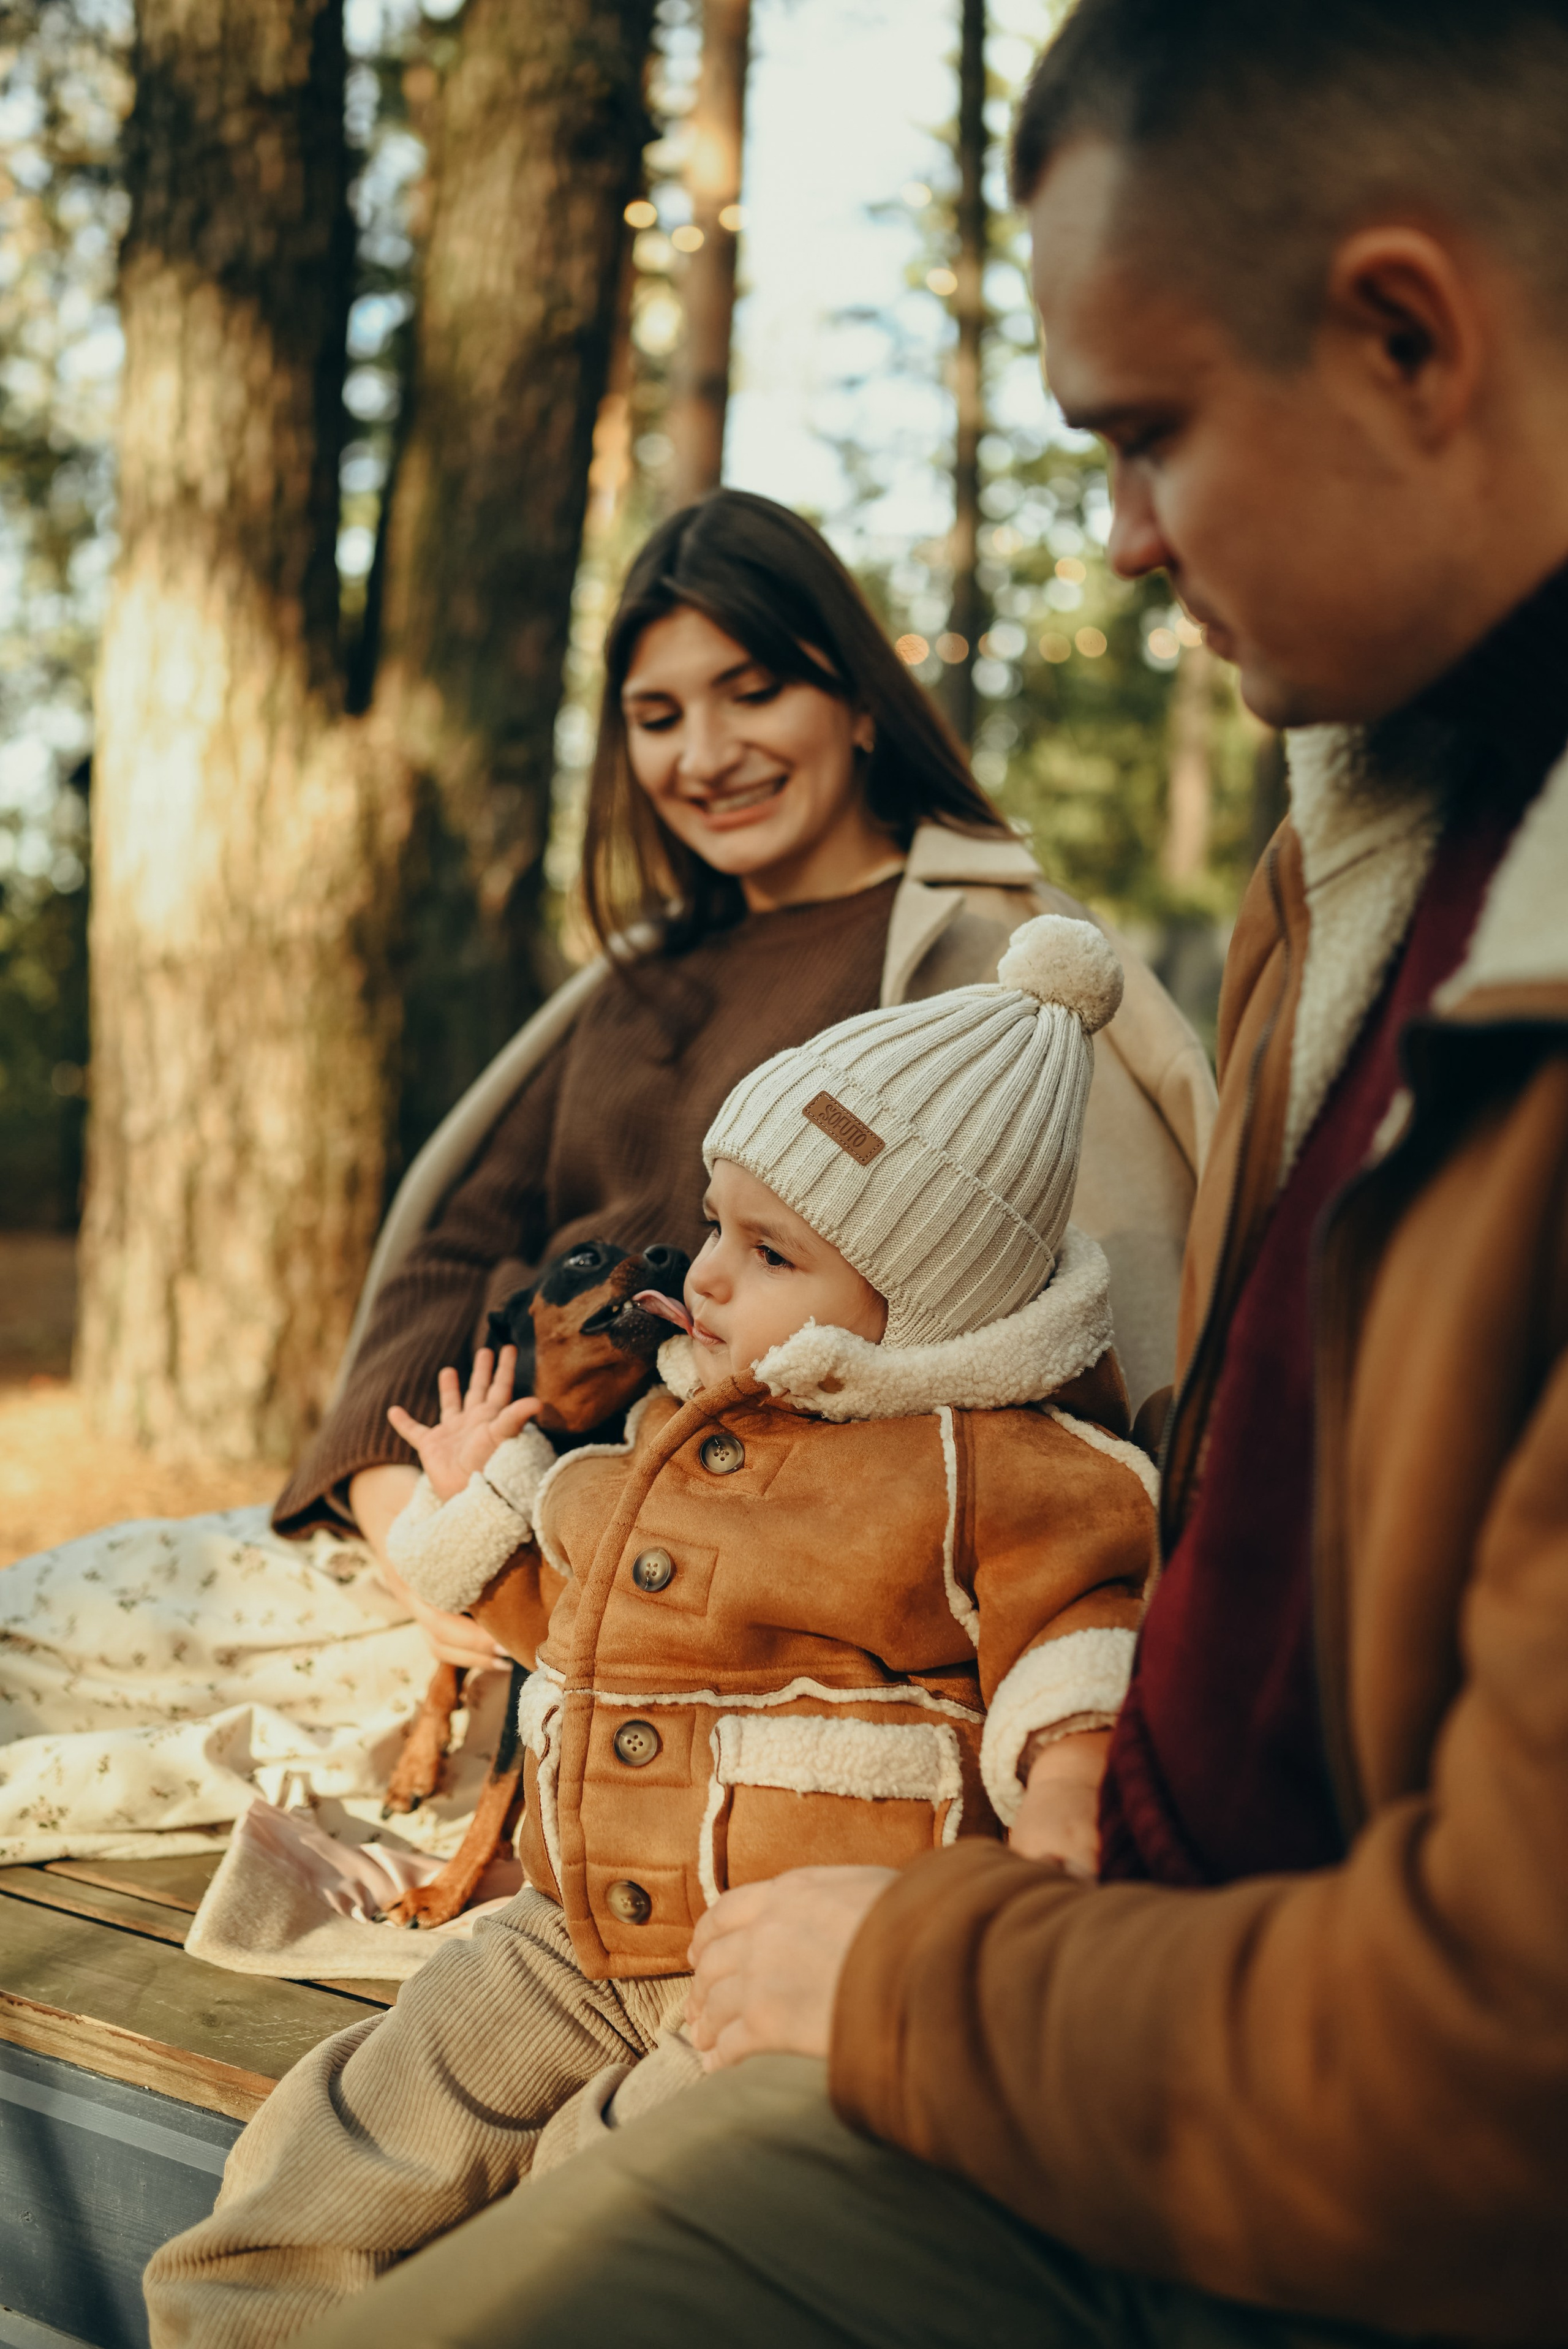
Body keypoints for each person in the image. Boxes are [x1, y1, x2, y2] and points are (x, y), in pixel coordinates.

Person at [279, 3, 1568, 2345]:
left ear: (1410, 329)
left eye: (1150, 434)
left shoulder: (1030, 970)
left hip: (1161, 2060)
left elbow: (1495, 2067)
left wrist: (960, 1923)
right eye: (652, 714)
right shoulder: (1357, 874)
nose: (1124, 537)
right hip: (1072, 1961)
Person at [0, 492, 1212, 1872]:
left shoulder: (984, 974)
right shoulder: (636, 977)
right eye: (656, 715)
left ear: (861, 703)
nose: (704, 754)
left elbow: (1083, 1347)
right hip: (450, 1524)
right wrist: (402, 1510)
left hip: (681, 1602)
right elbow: (450, 1255)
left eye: (752, 692)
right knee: (27, 1623)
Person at [145, 918, 1160, 2347]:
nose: (712, 1275)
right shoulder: (674, 1434)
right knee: (363, 2121)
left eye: (769, 1250)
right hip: (568, 1934)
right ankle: (234, 2320)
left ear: (918, 1304)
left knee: (597, 2211)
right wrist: (483, 1508)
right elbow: (573, 1625)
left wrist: (1066, 1777)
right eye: (716, 1225)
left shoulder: (991, 1460)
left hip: (768, 1959)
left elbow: (1077, 1622)